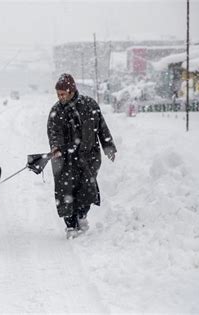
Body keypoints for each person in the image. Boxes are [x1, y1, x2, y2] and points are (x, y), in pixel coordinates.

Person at [47, 73, 117, 239]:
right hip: (65, 160)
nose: (60, 97)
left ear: (72, 91)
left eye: (63, 94)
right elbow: (53, 133)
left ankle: (82, 216)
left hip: (89, 157)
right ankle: (70, 225)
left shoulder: (89, 105)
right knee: (65, 192)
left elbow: (101, 127)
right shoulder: (56, 112)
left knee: (86, 190)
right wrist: (55, 147)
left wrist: (108, 147)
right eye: (58, 94)